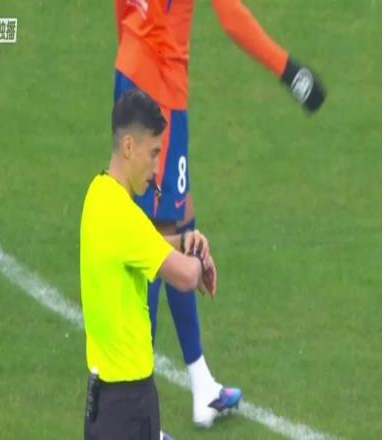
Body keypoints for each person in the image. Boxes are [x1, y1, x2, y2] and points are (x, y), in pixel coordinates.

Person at [113, 0, 323, 428]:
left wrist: (132, 58)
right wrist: (290, 71)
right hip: (159, 87)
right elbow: (231, 17)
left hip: (133, 69)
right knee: (158, 238)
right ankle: (137, 414)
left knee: (181, 215)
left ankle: (202, 383)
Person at [80, 89, 218, 440]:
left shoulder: (100, 195)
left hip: (120, 398)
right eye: (154, 154)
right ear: (129, 147)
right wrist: (198, 260)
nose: (158, 170)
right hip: (123, 408)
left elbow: (145, 246)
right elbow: (185, 277)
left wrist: (185, 242)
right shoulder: (122, 216)